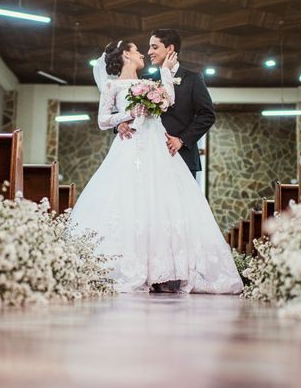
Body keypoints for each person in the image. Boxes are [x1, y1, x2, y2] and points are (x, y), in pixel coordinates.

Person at [69, 39, 243, 294]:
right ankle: (131, 269)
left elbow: (168, 101)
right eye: (137, 50)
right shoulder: (112, 86)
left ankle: (164, 272)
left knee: (163, 203)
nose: (142, 53)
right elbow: (103, 120)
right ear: (126, 56)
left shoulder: (150, 84)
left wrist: (164, 75)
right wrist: (126, 117)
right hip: (130, 148)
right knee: (129, 202)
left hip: (157, 149)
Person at [116, 29, 215, 179]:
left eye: (154, 47)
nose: (149, 52)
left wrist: (181, 140)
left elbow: (207, 115)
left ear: (170, 48)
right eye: (149, 47)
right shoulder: (146, 79)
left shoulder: (193, 78)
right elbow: (121, 105)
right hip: (150, 156)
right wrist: (119, 124)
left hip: (181, 155)